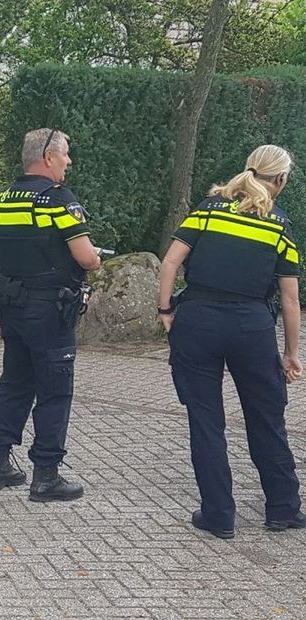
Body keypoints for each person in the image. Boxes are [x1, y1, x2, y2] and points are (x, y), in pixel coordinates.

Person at [159, 144, 305, 539]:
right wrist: (291, 354)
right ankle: (283, 509)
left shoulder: (207, 211)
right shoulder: (279, 225)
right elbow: (290, 299)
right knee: (266, 417)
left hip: (198, 322)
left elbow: (171, 261)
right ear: (280, 181)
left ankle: (219, 515)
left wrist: (166, 311)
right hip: (252, 328)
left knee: (206, 422)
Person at [0, 128, 102, 502]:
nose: (69, 162)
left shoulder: (2, 200)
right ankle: (46, 476)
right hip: (49, 310)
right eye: (65, 154)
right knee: (55, 390)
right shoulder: (56, 200)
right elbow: (85, 258)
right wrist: (96, 257)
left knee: (15, 382)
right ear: (48, 157)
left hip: (12, 305)